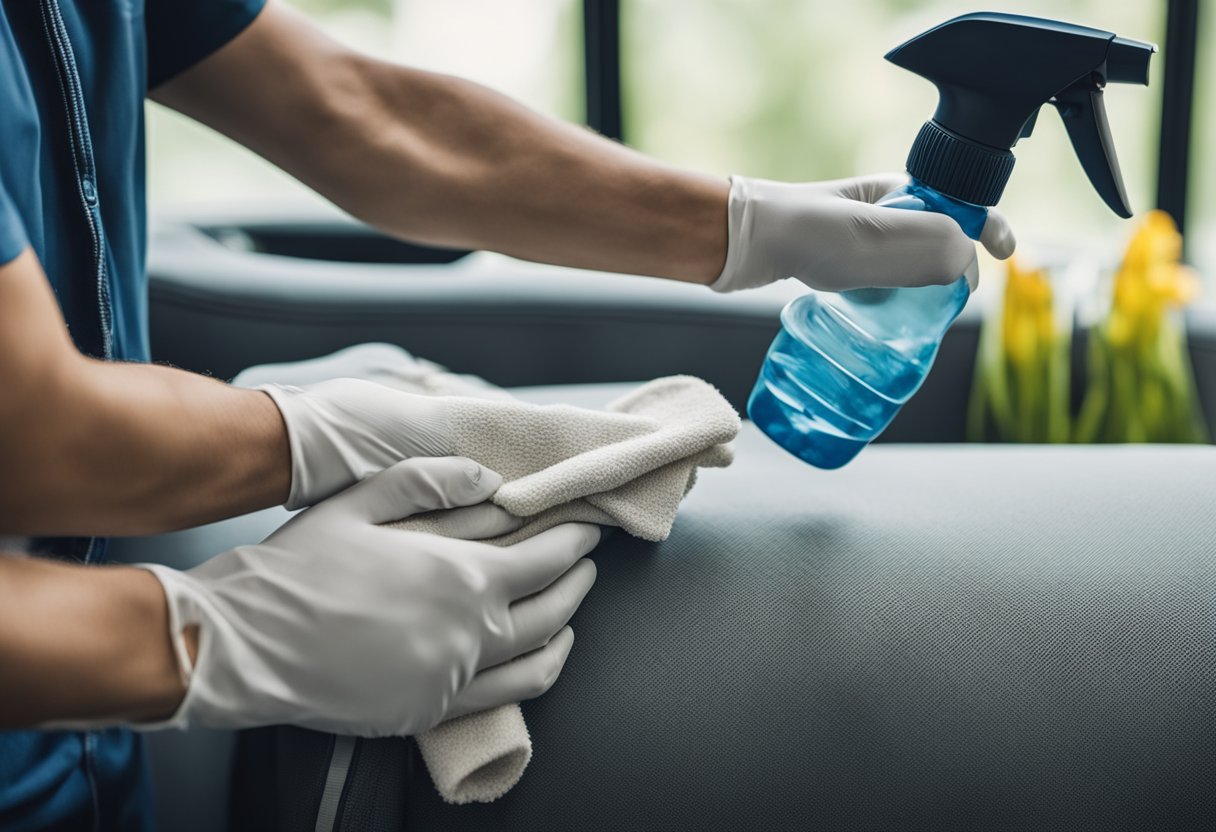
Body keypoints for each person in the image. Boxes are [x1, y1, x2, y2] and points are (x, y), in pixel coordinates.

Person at [0, 1, 1015, 828]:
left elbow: (354, 109)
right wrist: (202, 637)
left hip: (85, 767)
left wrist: (749, 224)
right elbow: (35, 436)